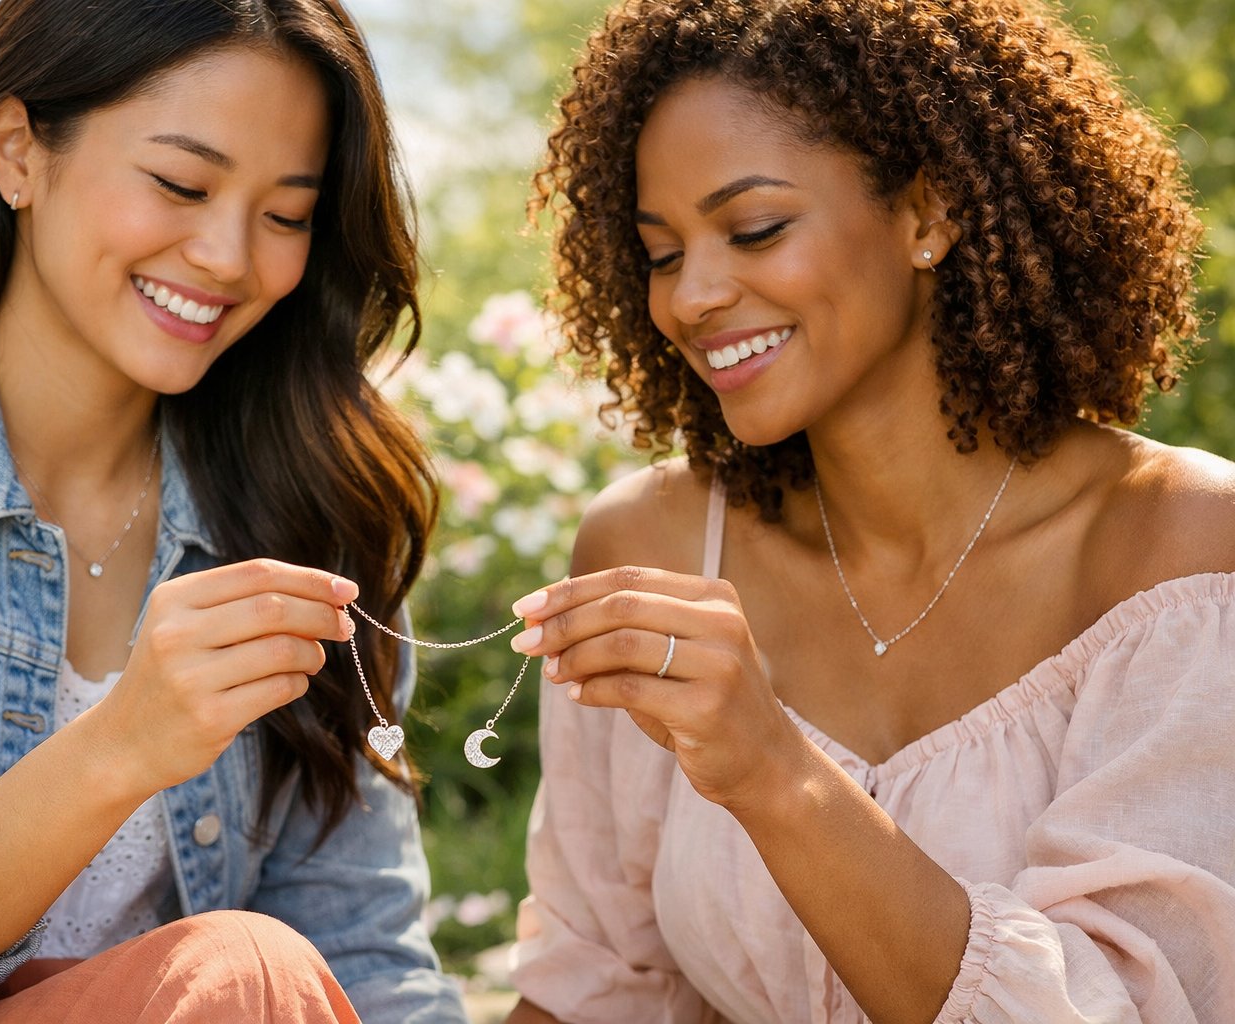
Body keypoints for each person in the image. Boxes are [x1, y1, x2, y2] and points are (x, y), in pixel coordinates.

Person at [0, 2, 470, 1022]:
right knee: (242, 973)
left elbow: (364, 958)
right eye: (181, 184)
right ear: (17, 151)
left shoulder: (312, 517)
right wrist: (121, 745)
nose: (231, 257)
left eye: (286, 215)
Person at [502, 1, 1235, 1021]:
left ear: (927, 213)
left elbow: (1131, 1004)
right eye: (662, 253)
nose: (692, 297)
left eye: (753, 228)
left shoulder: (1178, 553)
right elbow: (593, 989)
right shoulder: (652, 548)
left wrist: (771, 769)